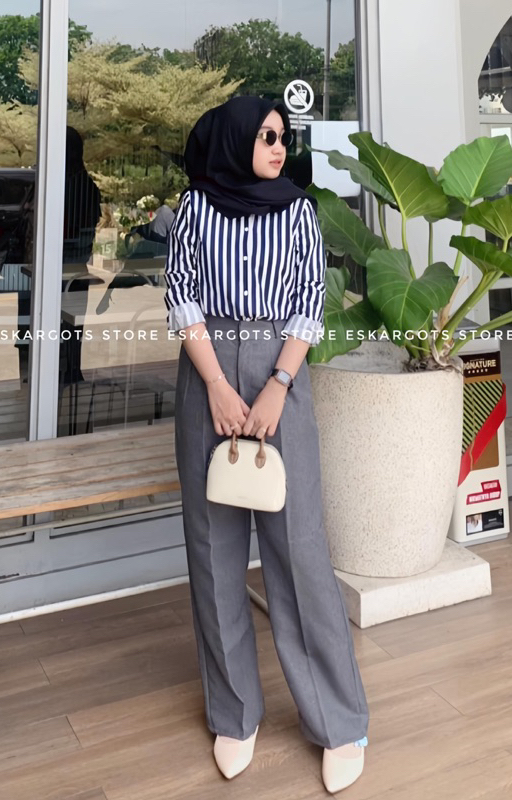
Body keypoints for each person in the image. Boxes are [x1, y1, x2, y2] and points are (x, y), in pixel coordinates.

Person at [163, 95, 370, 794]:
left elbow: (311, 299)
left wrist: (279, 384)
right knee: (214, 550)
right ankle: (234, 712)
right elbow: (181, 298)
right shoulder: (196, 208)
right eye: (265, 136)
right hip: (208, 373)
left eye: (283, 136)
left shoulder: (299, 211)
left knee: (300, 548)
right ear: (234, 142)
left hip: (283, 369)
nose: (279, 147)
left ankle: (338, 720)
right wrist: (218, 387)